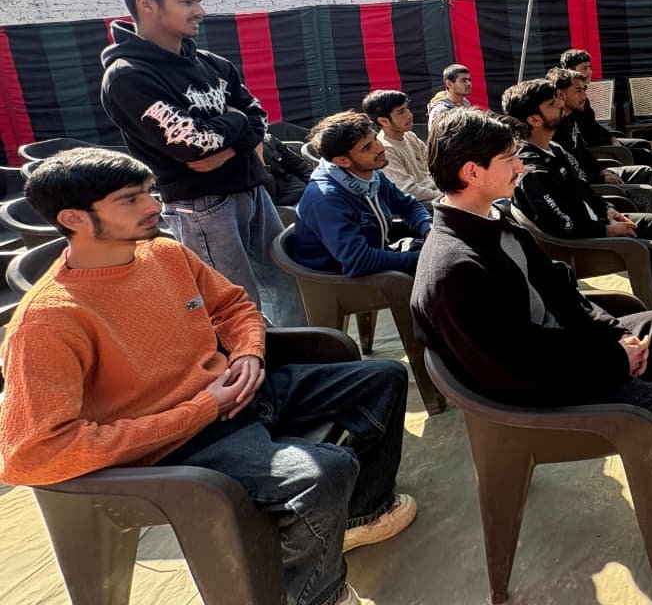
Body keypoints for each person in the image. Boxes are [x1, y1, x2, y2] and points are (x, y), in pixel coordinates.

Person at [0, 148, 416, 605]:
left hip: (239, 392)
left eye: (149, 192)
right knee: (323, 472)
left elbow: (234, 306)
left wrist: (250, 353)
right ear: (74, 219)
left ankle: (359, 517)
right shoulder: (49, 320)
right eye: (130, 200)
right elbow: (36, 453)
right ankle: (316, 596)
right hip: (177, 442)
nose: (153, 205)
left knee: (384, 378)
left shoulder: (164, 252)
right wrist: (202, 408)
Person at [410, 110, 652, 592]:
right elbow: (517, 370)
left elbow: (560, 291)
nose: (520, 166)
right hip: (544, 394)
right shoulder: (454, 269)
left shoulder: (490, 220)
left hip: (564, 355)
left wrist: (614, 334)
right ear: (472, 172)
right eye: (509, 158)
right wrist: (615, 360)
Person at [99, 0, 305, 325]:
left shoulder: (215, 64)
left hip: (254, 190)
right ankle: (256, 362)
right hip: (201, 205)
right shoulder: (127, 76)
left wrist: (228, 145)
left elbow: (260, 119)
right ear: (146, 4)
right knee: (235, 306)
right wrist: (237, 122)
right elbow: (192, 144)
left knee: (287, 285)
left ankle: (299, 356)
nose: (200, 11)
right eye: (187, 2)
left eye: (198, 1)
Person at [501, 80, 652, 341]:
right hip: (576, 243)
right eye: (552, 103)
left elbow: (584, 187)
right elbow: (563, 222)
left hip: (594, 223)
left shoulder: (553, 148)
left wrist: (607, 210)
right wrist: (606, 229)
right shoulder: (532, 169)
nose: (560, 103)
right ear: (534, 120)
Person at [293, 112, 432, 277]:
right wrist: (425, 259)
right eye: (367, 148)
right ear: (342, 161)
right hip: (344, 282)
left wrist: (429, 230)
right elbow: (359, 261)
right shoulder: (325, 200)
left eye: (375, 139)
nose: (380, 148)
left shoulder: (371, 176)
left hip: (378, 259)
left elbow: (408, 206)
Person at [547, 67, 652, 214]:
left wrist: (602, 170)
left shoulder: (572, 117)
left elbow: (584, 153)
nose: (584, 95)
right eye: (578, 91)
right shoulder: (552, 130)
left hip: (594, 174)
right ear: (560, 94)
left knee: (646, 172)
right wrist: (600, 179)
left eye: (584, 90)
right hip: (586, 187)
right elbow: (570, 173)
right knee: (647, 194)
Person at [559, 48, 652, 168]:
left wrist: (611, 138)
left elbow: (592, 124)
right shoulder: (569, 100)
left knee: (643, 144)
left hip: (600, 140)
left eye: (589, 67)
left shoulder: (583, 95)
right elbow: (583, 134)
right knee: (644, 155)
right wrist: (610, 144)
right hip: (591, 147)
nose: (589, 72)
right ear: (570, 71)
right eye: (584, 68)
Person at [363, 89, 441, 204]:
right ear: (384, 121)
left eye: (406, 108)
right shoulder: (385, 150)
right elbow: (408, 191)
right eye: (401, 112)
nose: (409, 115)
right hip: (420, 205)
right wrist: (445, 197)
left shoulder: (409, 136)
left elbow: (434, 163)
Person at [262, 132, 313, 207]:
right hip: (283, 204)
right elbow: (265, 196)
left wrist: (314, 182)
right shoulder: (246, 155)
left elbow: (299, 165)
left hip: (304, 191)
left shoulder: (268, 139)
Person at [427, 64, 474, 129]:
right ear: (449, 84)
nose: (469, 84)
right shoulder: (440, 111)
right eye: (463, 80)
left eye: (469, 80)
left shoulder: (466, 104)